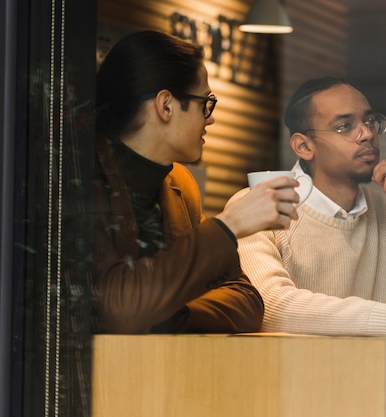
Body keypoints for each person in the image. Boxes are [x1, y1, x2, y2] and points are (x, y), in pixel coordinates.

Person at [232, 76, 386, 337]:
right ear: (304, 146)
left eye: (369, 121)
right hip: (290, 376)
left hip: (370, 376)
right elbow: (270, 306)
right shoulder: (260, 205)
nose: (367, 134)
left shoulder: (382, 210)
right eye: (344, 126)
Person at [92, 30, 301, 334]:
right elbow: (120, 310)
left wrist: (166, 315)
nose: (210, 118)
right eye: (205, 102)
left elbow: (247, 301)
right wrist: (230, 225)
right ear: (166, 106)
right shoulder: (81, 177)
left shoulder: (180, 185)